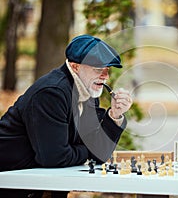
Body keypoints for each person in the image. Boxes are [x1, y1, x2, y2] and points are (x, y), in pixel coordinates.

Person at [0, 34, 132, 197]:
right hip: (11, 183)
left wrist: (114, 116)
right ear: (75, 67)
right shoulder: (51, 93)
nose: (105, 76)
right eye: (98, 69)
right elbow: (54, 158)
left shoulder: (88, 91)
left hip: (39, 183)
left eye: (107, 70)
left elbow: (99, 154)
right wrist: (87, 152)